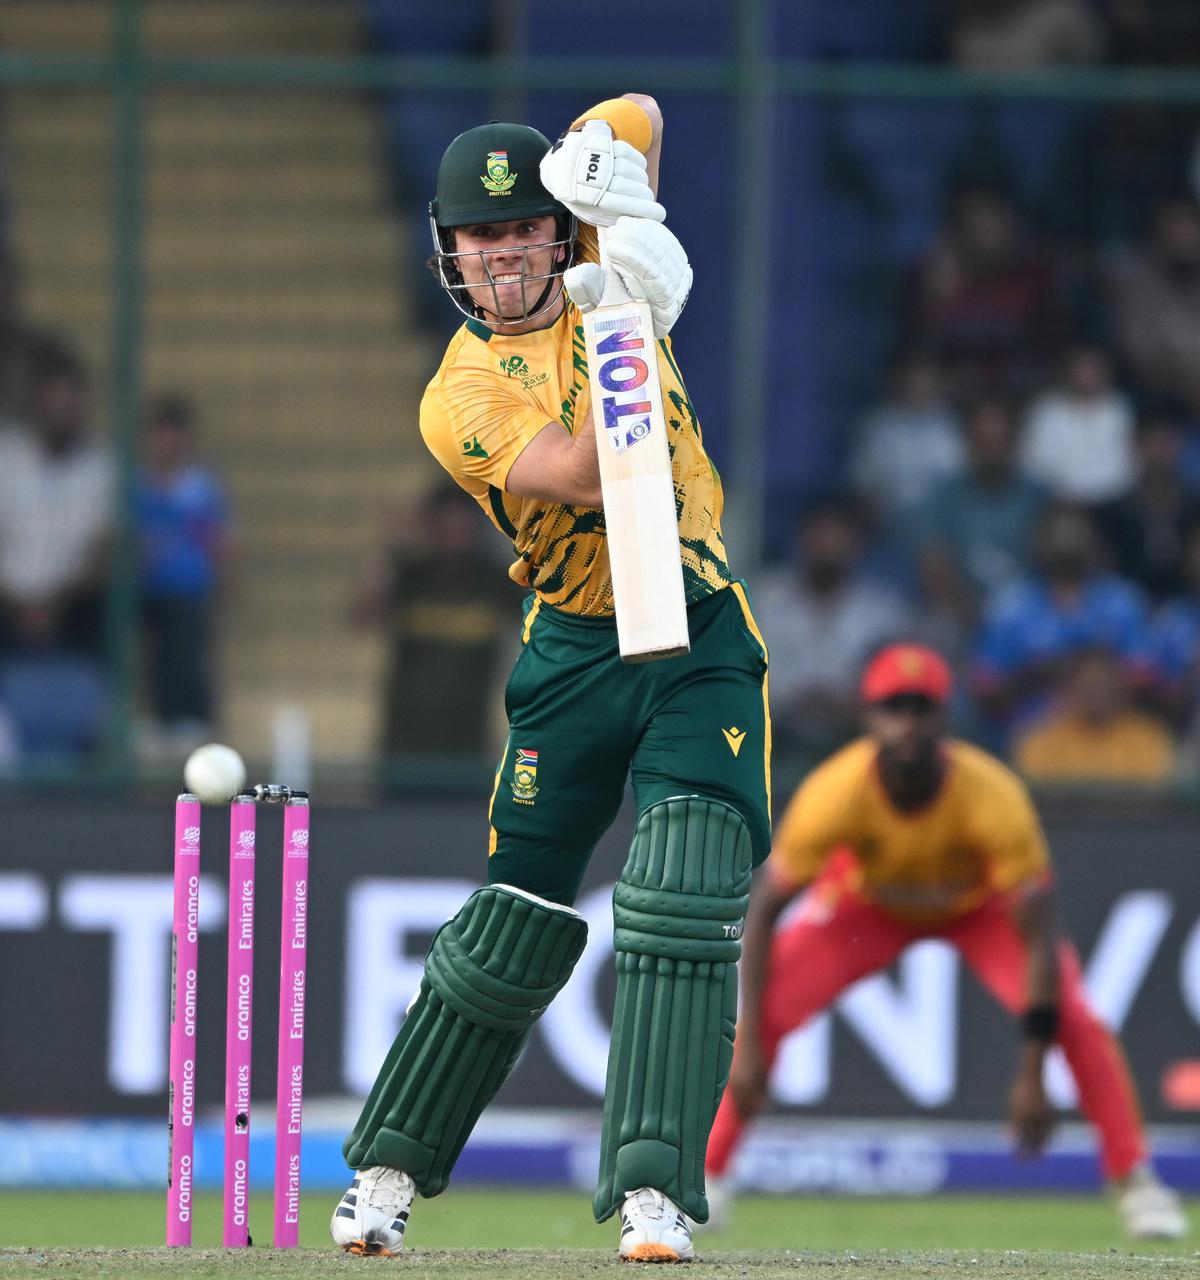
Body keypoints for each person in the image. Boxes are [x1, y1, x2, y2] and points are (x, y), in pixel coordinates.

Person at [330, 95, 770, 1264]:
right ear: (452, 252)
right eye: (482, 236)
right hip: (573, 650)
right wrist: (626, 309)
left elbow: (645, 114)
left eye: (527, 225)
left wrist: (615, 190)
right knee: (511, 923)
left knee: (682, 889)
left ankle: (652, 1193)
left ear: (554, 226)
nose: (507, 251)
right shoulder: (459, 394)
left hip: (695, 629)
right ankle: (386, 1171)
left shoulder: (604, 244)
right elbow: (586, 471)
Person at [704, 643, 1187, 1241]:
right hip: (868, 905)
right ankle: (709, 1177)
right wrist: (751, 1045)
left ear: (945, 718)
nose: (907, 722)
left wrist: (1032, 1073)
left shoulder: (993, 795)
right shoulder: (835, 791)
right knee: (766, 1013)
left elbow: (1039, 936)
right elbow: (764, 912)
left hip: (976, 909)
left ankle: (1136, 1181)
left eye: (921, 707)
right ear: (869, 717)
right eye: (894, 707)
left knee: (1078, 1020)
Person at [350, 479, 514, 767]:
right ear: (431, 525)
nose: (454, 533)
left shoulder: (494, 580)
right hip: (405, 741)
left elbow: (538, 616)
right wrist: (387, 549)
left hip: (470, 741)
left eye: (462, 522)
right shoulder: (409, 574)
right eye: (446, 523)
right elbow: (361, 617)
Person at [757, 497, 911, 764]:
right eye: (820, 534)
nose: (827, 545)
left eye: (837, 535)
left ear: (857, 545)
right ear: (800, 540)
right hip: (776, 735)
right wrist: (795, 700)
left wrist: (847, 705)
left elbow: (892, 686)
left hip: (854, 738)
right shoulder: (764, 600)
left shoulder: (882, 612)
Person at [135, 392, 231, 748]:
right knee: (149, 653)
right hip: (145, 592)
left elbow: (220, 543)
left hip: (189, 593)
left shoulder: (201, 489)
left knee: (186, 646)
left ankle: (192, 721)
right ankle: (152, 720)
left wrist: (223, 587)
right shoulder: (138, 487)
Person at [1014, 646, 1175, 785]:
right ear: (1070, 688)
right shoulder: (1041, 743)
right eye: (1088, 686)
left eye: (1104, 685)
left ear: (1122, 689)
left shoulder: (1149, 740)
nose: (1096, 695)